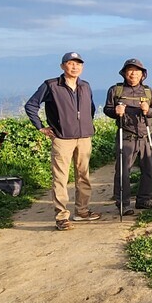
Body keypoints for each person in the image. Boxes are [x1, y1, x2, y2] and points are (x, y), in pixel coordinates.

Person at [23, 51, 101, 230]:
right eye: (71, 63)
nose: (75, 67)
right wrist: (40, 127)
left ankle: (82, 211)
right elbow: (31, 105)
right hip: (62, 138)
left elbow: (91, 108)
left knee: (83, 176)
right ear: (62, 66)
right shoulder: (51, 85)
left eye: (78, 64)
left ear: (82, 67)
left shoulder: (85, 86)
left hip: (84, 137)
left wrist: (87, 125)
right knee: (61, 178)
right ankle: (61, 217)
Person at [103, 58, 152, 215]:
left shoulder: (148, 91)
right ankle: (123, 203)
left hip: (146, 135)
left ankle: (143, 200)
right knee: (123, 170)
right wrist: (115, 111)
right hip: (126, 135)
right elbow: (107, 109)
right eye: (130, 70)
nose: (133, 74)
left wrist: (148, 110)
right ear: (124, 73)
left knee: (149, 169)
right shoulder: (116, 90)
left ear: (142, 74)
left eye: (137, 71)